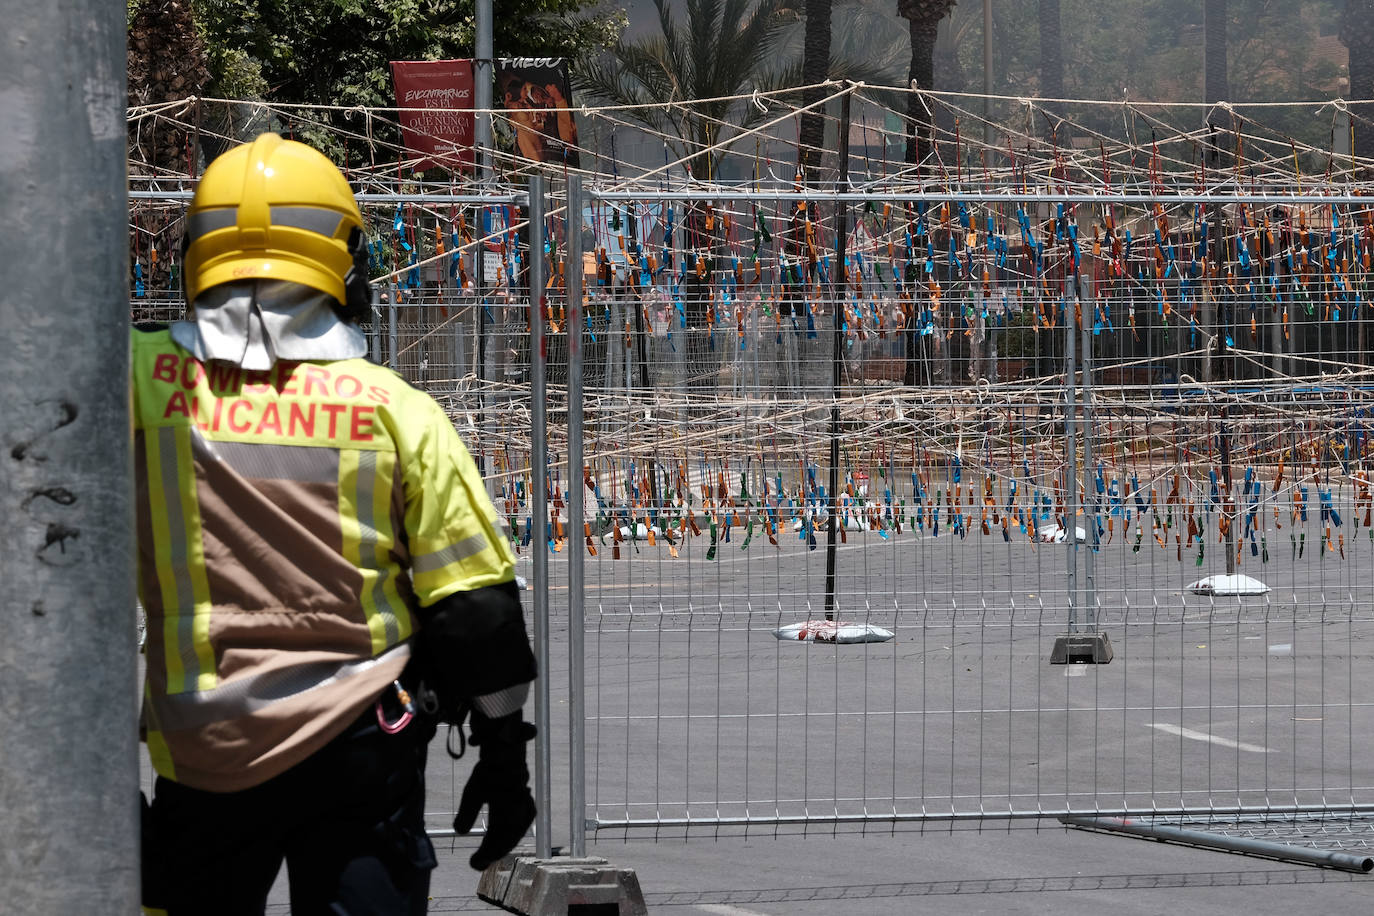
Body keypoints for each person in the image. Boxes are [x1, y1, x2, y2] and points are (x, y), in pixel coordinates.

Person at [133, 132, 537, 915]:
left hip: (199, 752)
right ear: (343, 262)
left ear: (195, 251)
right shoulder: (397, 411)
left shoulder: (130, 383)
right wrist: (502, 753)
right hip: (363, 750)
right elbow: (476, 602)